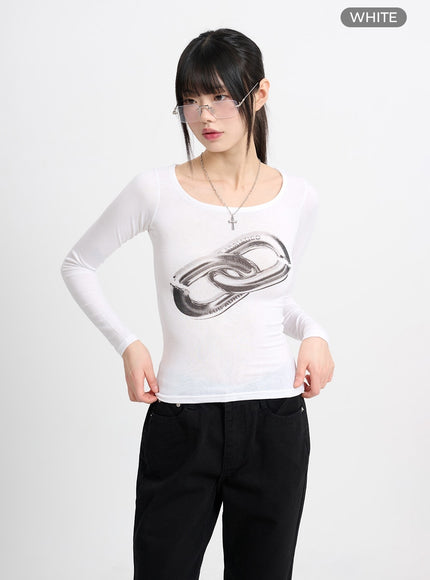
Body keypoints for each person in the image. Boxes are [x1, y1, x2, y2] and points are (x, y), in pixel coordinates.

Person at [61, 27, 335, 580]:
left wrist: (315, 333)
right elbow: (78, 264)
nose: (204, 116)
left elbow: (269, 299)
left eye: (219, 97)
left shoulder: (299, 198)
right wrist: (128, 344)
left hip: (274, 420)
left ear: (259, 94)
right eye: (190, 100)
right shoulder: (155, 190)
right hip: (183, 421)